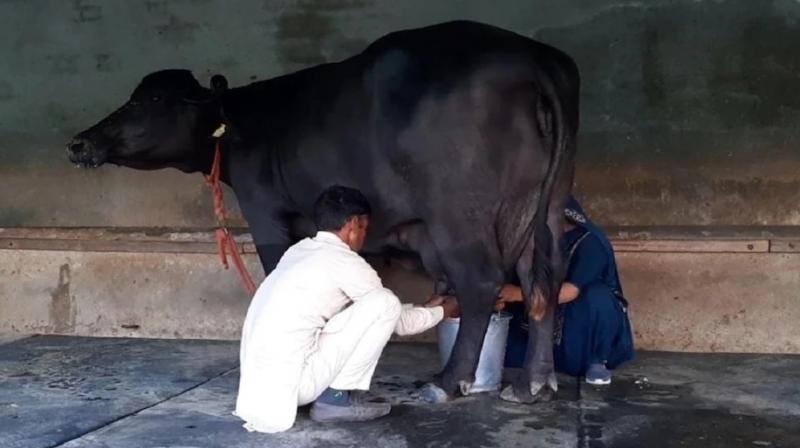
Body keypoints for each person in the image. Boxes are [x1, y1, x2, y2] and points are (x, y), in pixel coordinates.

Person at [235, 186, 458, 433]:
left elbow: (364, 312)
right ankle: (336, 399)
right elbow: (397, 320)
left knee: (369, 305)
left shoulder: (298, 251)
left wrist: (425, 307)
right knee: (385, 302)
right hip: (294, 386)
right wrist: (447, 309)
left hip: (259, 391)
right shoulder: (346, 262)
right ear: (353, 224)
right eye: (365, 228)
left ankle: (330, 396)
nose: (365, 236)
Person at [497, 196, 634, 385]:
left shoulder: (591, 243)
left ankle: (597, 361)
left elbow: (569, 291)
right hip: (547, 323)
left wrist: (516, 294)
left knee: (596, 296)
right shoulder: (539, 243)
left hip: (580, 325)